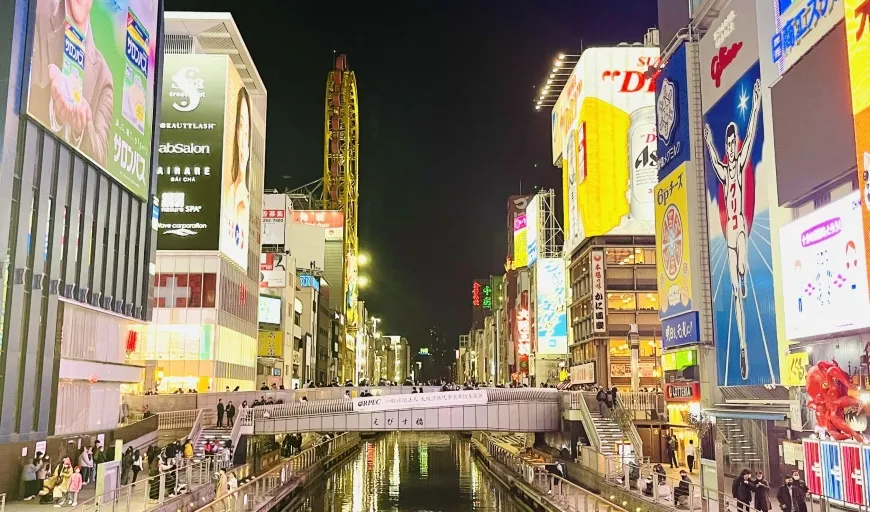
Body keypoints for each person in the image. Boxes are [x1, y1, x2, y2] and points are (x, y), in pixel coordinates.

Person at [703, 79, 762, 381]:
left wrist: (755, 103)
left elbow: (752, 132)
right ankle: (741, 342)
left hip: (739, 225)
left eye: (732, 142)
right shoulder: (727, 172)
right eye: (728, 144)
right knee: (735, 288)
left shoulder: (739, 167)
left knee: (741, 268)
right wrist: (708, 139)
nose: (731, 147)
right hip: (729, 229)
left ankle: (743, 279)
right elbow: (713, 158)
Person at [28, 0, 114, 168]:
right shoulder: (37, 9)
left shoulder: (103, 77)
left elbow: (100, 156)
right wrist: (52, 102)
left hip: (66, 185)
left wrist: (81, 127)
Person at [223, 86, 252, 261]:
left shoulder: (246, 202)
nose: (243, 140)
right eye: (241, 126)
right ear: (235, 132)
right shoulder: (226, 195)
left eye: (247, 131)